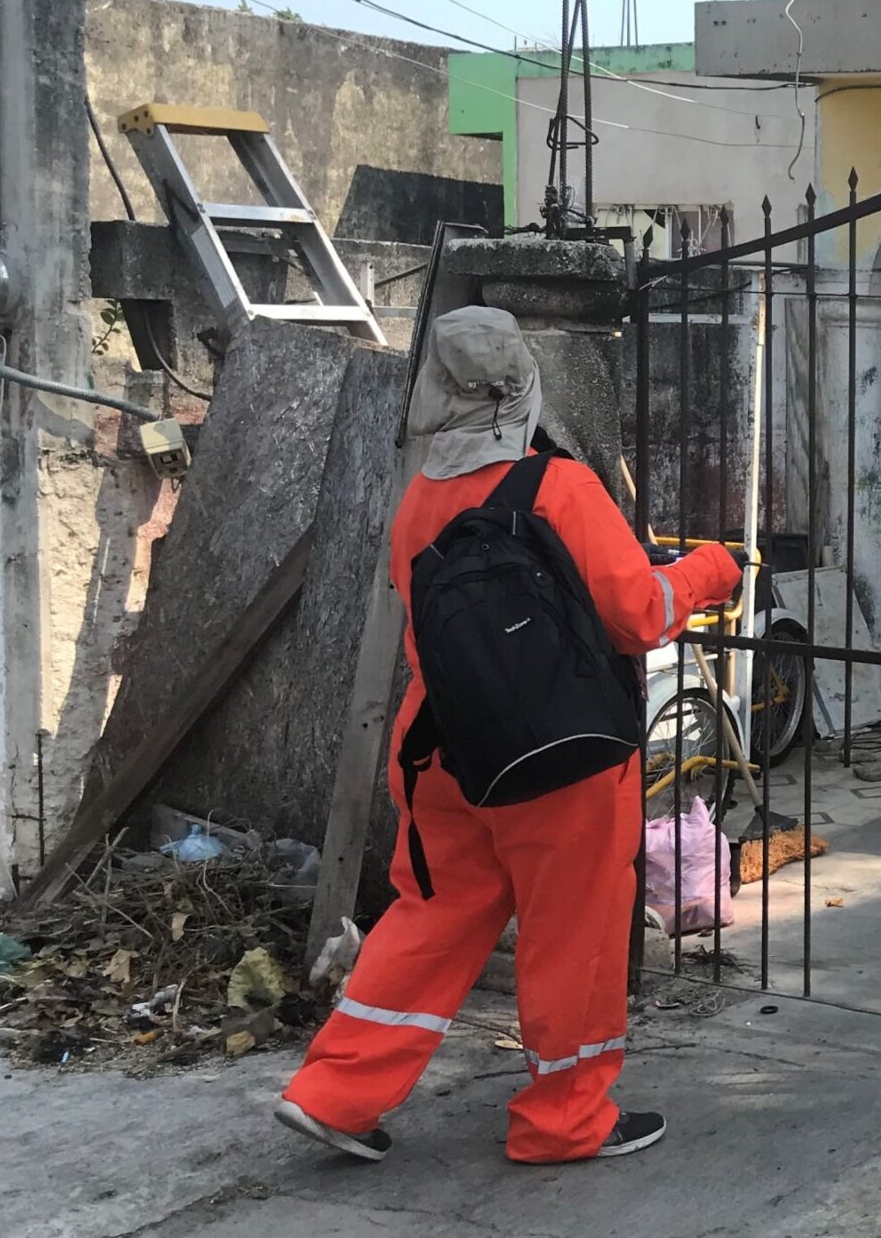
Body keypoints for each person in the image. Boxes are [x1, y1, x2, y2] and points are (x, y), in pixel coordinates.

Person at [278, 307, 741, 1165]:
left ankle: (334, 1094)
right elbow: (640, 613)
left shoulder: (420, 501)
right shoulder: (558, 489)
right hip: (562, 760)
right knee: (576, 933)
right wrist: (712, 570)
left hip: (443, 752)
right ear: (525, 389)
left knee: (430, 916)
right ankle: (563, 1121)